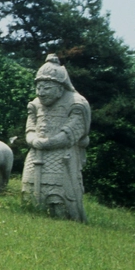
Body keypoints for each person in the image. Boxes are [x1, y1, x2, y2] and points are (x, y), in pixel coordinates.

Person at [22, 54, 91, 221]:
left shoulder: (77, 103)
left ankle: (67, 219)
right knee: (28, 190)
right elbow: (30, 128)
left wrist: (49, 143)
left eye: (47, 88)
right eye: (39, 87)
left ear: (60, 88)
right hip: (35, 154)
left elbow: (71, 133)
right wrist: (33, 140)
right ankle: (31, 213)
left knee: (59, 195)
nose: (41, 92)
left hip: (62, 156)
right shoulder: (35, 104)